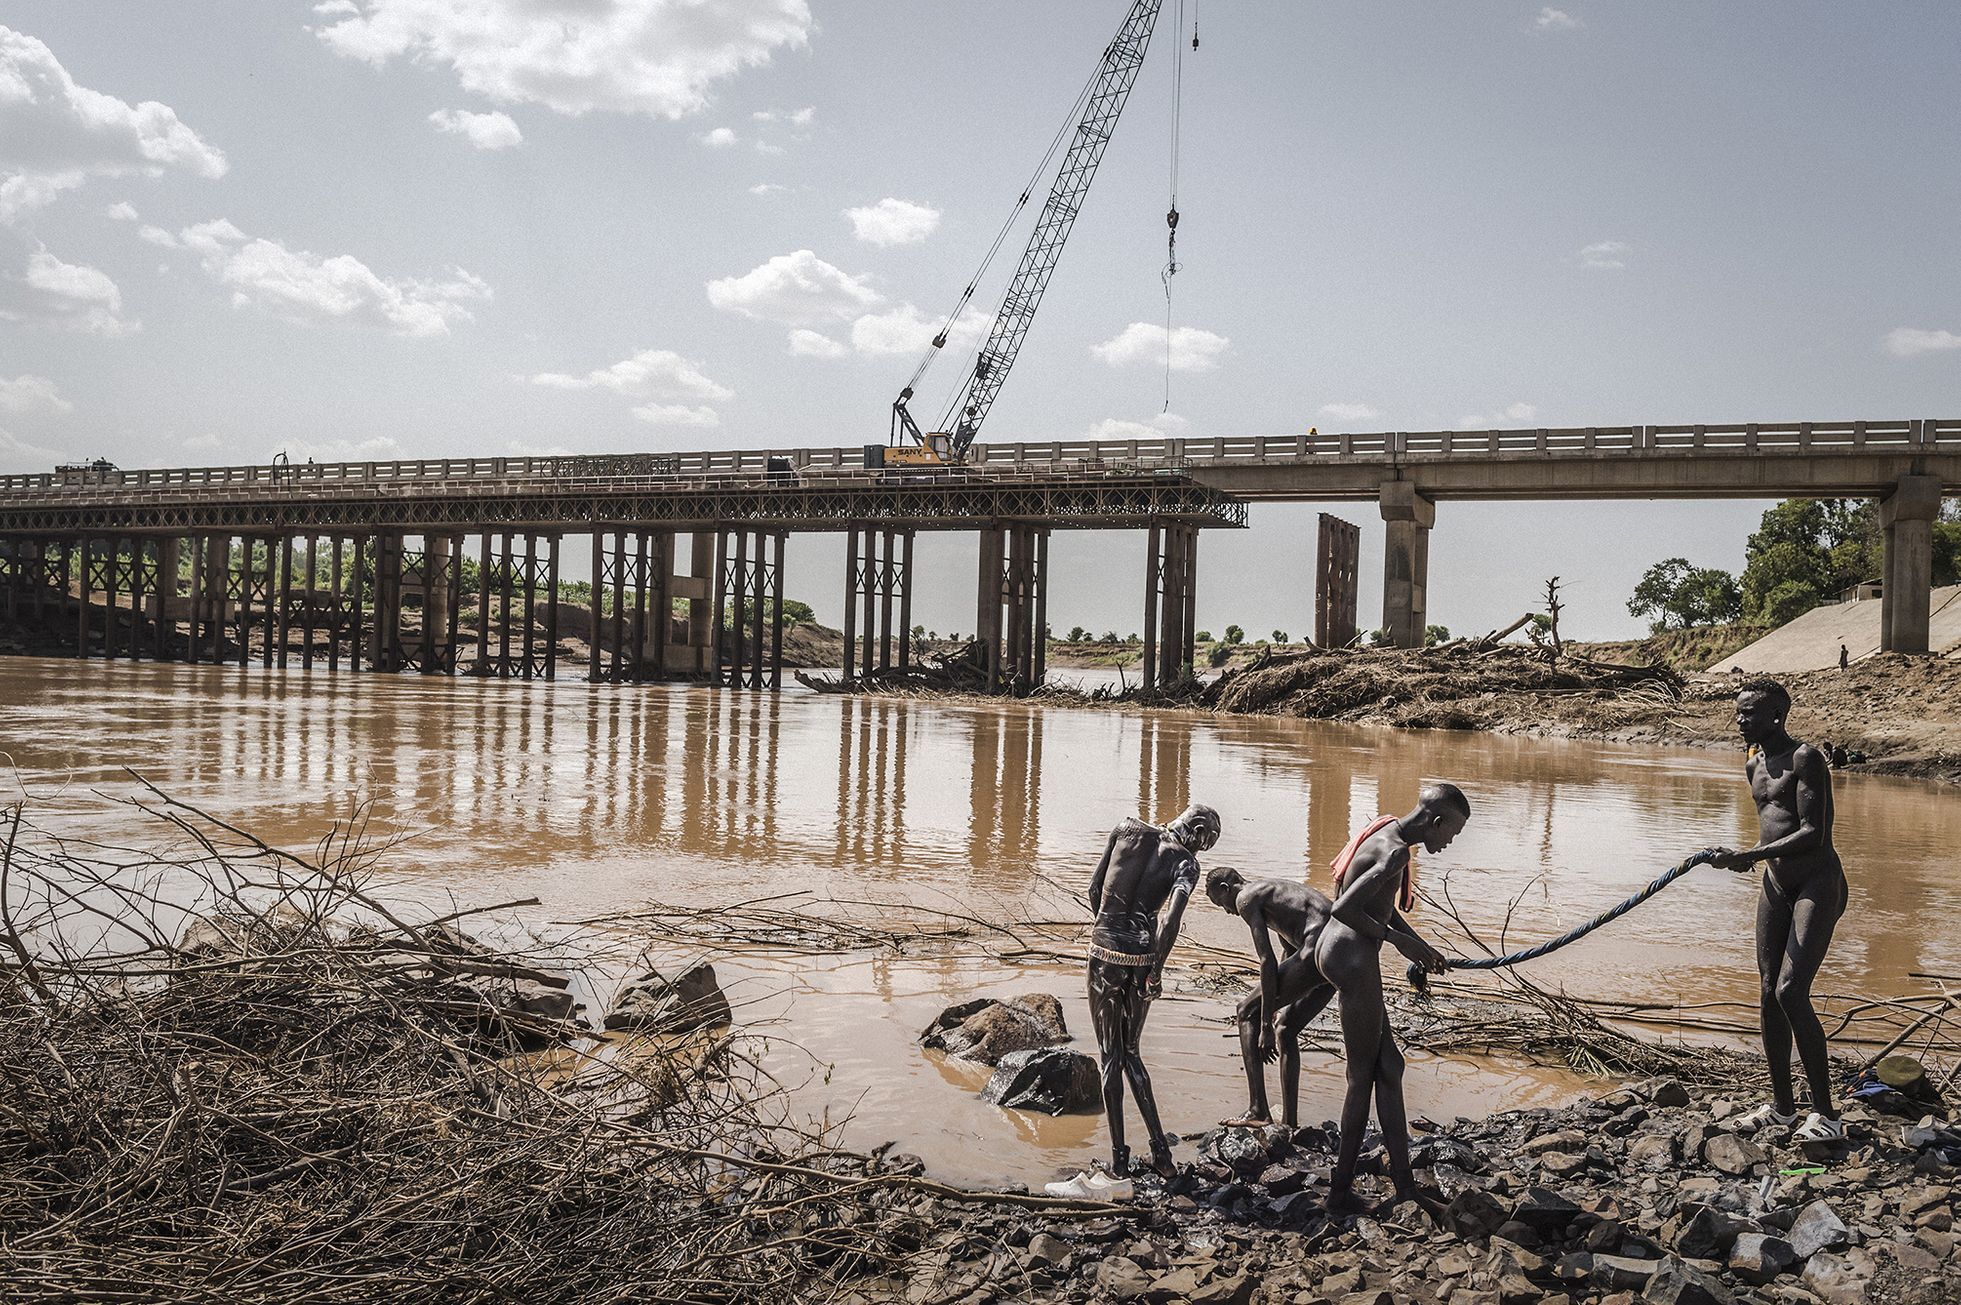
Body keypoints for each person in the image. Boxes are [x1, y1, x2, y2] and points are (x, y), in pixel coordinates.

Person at [1315, 785, 1467, 1216]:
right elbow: (1344, 906)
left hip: (1339, 951)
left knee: (1390, 1066)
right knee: (1361, 1076)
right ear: (1436, 823)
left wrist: (1420, 945)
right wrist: (1400, 943)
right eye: (1452, 833)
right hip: (1352, 958)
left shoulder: (1384, 828)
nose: (1450, 842)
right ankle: (1339, 1194)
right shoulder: (1397, 853)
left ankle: (1404, 1188)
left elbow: (1376, 902)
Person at [1712, 678, 1848, 1143]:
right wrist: (1749, 855)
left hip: (1817, 882)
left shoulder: (1806, 758)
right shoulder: (1752, 763)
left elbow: (1814, 832)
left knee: (1792, 990)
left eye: (1749, 712)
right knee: (1769, 990)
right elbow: (1772, 830)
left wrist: (1748, 856)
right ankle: (1784, 1109)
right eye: (1738, 711)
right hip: (1775, 881)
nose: (1740, 719)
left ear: (1777, 716)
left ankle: (1827, 1115)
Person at [1077, 803, 1219, 1182]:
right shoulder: (1185, 863)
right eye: (1207, 841)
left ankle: (1119, 1162)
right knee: (1133, 1054)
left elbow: (1094, 889)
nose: (1203, 850)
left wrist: (1106, 929)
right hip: (1140, 960)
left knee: (1111, 1058)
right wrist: (1154, 972)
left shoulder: (1124, 828)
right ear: (1198, 827)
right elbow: (1170, 921)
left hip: (1104, 954)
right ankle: (1161, 1153)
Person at [1204, 866, 1335, 1128]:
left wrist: (1264, 1023)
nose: (1227, 912)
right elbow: (1288, 951)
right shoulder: (1271, 891)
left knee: (1244, 1011)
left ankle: (1258, 1109)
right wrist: (1274, 1002)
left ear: (1225, 889)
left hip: (1317, 948)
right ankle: (1289, 1123)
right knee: (1285, 1030)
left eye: (1220, 904)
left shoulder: (1245, 898)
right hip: (1336, 953)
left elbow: (1267, 962)